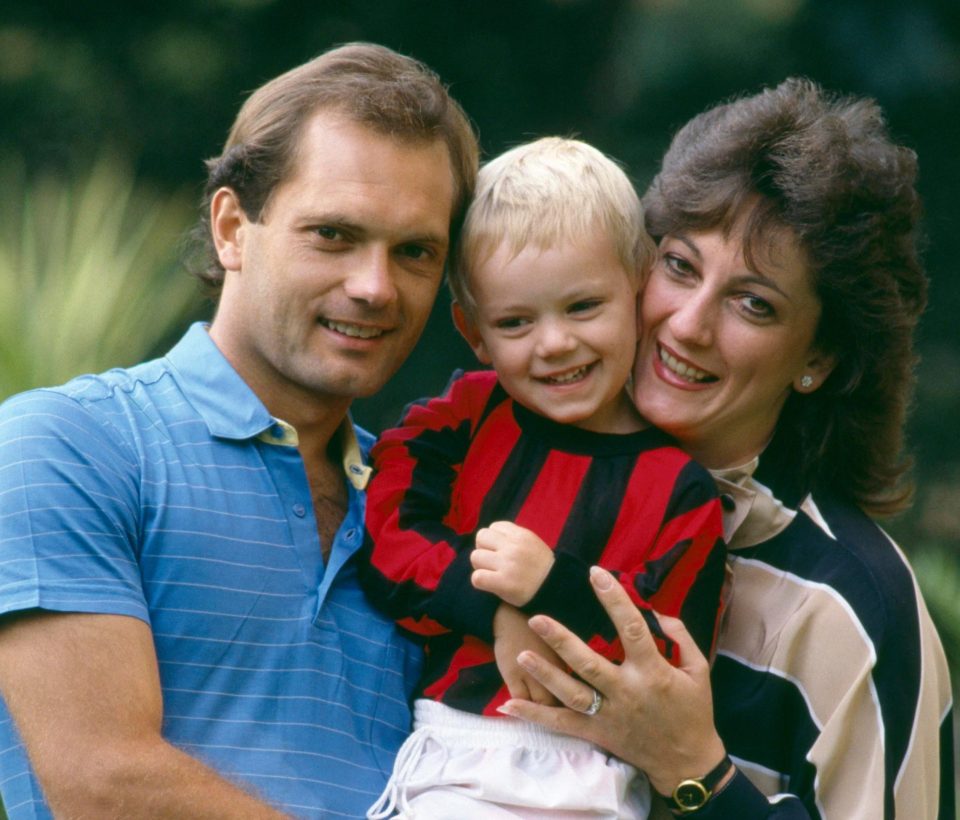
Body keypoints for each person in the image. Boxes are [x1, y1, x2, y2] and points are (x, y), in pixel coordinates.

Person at [0, 42, 478, 818]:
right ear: (232, 227)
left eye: (415, 251)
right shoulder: (70, 445)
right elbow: (103, 785)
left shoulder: (426, 506)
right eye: (333, 235)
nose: (375, 286)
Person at [494, 79, 955, 819]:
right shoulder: (504, 472)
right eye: (678, 265)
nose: (688, 324)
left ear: (820, 357)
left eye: (754, 303)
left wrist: (695, 772)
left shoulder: (849, 609)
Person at [360, 137, 727, 818]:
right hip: (462, 752)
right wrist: (495, 607)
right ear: (474, 332)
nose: (554, 342)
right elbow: (385, 540)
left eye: (583, 306)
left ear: (639, 288)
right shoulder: (462, 421)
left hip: (601, 772)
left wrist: (551, 587)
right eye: (516, 321)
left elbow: (672, 660)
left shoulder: (680, 490)